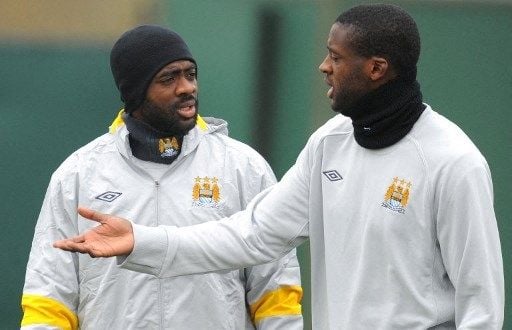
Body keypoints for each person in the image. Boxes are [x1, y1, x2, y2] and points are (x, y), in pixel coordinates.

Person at [54, 4, 505, 329]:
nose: (323, 66)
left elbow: (481, 307)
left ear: (377, 68)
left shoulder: (453, 162)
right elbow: (250, 234)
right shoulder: (328, 146)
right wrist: (141, 239)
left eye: (336, 56)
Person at [21, 25, 304, 329]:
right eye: (168, 78)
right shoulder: (78, 174)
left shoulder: (242, 166)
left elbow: (276, 289)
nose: (186, 88)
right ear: (135, 92)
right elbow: (49, 294)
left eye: (190, 74)